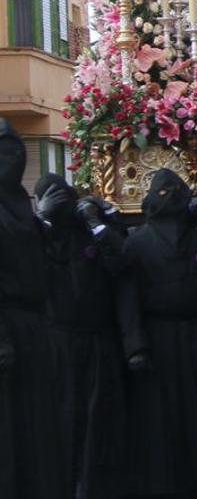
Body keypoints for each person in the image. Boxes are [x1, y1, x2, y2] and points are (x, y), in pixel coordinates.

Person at [122, 170, 197, 498]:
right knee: (166, 415)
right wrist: (136, 345)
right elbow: (128, 297)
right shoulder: (138, 242)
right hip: (161, 339)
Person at [35, 174, 129, 499]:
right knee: (61, 419)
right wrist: (41, 220)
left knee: (97, 420)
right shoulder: (42, 236)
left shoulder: (88, 235)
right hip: (56, 344)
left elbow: (122, 262)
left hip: (96, 342)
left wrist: (101, 221)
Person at [0, 121, 63, 499]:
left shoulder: (18, 205)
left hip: (35, 329)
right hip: (8, 329)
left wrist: (47, 226)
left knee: (37, 427)